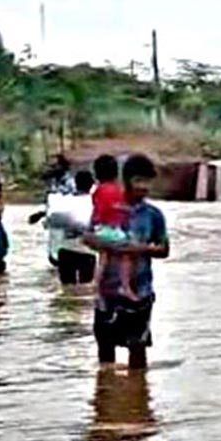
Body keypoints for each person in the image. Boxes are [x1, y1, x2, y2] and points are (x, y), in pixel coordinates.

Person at [91, 154, 168, 369]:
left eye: (147, 182)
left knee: (138, 350)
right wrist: (108, 245)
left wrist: (138, 249)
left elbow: (164, 249)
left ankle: (138, 397)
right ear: (126, 180)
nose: (144, 187)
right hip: (108, 292)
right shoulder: (110, 207)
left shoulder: (153, 215)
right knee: (105, 352)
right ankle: (106, 394)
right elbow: (88, 236)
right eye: (139, 181)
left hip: (140, 292)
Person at [90, 154, 138, 300]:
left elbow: (97, 210)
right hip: (112, 230)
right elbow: (120, 209)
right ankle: (125, 286)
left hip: (100, 230)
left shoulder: (97, 190)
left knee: (103, 256)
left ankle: (95, 283)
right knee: (127, 254)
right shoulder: (117, 190)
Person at [50, 169, 97, 285]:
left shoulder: (64, 201)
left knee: (66, 288)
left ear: (75, 183)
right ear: (92, 185)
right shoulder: (95, 203)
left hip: (66, 250)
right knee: (86, 289)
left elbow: (52, 222)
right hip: (87, 251)